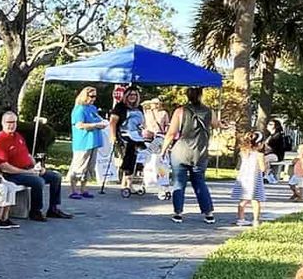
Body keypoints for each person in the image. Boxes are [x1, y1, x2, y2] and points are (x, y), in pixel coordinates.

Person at [0, 111, 71, 221]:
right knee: (38, 181)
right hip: (12, 174)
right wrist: (27, 172)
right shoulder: (0, 141)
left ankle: (53, 208)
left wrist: (37, 166)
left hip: (28, 169)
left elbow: (27, 155)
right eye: (8, 122)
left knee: (55, 177)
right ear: (3, 123)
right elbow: (4, 167)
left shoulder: (18, 136)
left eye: (14, 122)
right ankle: (35, 211)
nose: (11, 125)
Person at [160, 86, 218, 225]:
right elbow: (216, 125)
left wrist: (163, 150)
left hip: (180, 152)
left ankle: (178, 213)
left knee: (179, 183)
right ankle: (208, 213)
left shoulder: (180, 111)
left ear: (187, 95)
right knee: (200, 183)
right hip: (200, 153)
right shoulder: (209, 111)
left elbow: (171, 134)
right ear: (200, 95)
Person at [68, 87, 108, 199]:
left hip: (94, 141)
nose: (93, 99)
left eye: (95, 96)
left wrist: (102, 124)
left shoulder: (93, 108)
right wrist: (95, 125)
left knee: (90, 166)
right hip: (83, 142)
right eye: (91, 96)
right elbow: (79, 125)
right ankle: (73, 190)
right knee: (79, 165)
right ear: (84, 96)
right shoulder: (79, 109)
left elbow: (97, 120)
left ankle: (84, 189)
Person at [109, 87, 152, 191]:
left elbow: (142, 123)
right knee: (130, 155)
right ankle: (127, 183)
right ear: (126, 96)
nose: (132, 97)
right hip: (124, 134)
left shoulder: (139, 108)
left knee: (142, 154)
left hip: (137, 134)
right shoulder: (120, 107)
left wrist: (145, 131)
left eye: (135, 95)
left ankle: (127, 182)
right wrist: (113, 136)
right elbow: (113, 122)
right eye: (130, 95)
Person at [232, 131, 267, 228]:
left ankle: (240, 219)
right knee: (255, 200)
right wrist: (266, 164)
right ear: (259, 144)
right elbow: (262, 168)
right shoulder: (259, 155)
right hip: (255, 180)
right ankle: (255, 220)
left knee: (243, 200)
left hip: (243, 179)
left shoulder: (243, 153)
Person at [264, 118, 288, 183]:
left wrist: (265, 146)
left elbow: (273, 148)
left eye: (271, 124)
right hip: (270, 154)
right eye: (268, 124)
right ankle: (267, 174)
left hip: (276, 155)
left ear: (275, 126)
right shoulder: (270, 136)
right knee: (262, 158)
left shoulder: (278, 135)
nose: (268, 125)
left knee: (264, 159)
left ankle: (268, 175)